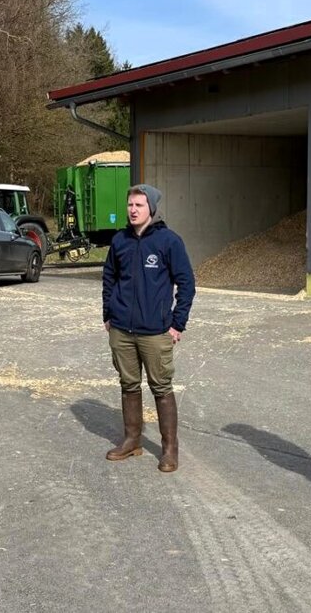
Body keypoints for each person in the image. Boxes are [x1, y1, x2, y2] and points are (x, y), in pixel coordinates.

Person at [101, 184, 195, 473]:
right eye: (130, 204)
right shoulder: (119, 241)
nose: (132, 210)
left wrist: (177, 324)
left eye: (139, 205)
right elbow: (109, 278)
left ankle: (169, 449)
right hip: (121, 330)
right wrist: (108, 313)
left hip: (155, 332)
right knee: (128, 385)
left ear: (151, 209)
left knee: (161, 387)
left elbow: (187, 284)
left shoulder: (169, 242)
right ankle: (132, 440)